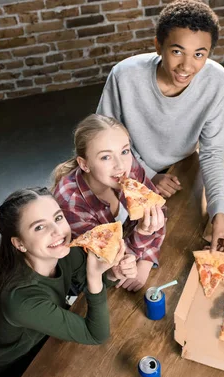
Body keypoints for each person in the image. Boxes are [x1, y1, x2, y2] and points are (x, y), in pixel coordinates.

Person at [96, 0, 224, 254]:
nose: (187, 66)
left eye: (199, 54)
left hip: (183, 170)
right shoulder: (123, 75)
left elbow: (213, 152)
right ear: (159, 45)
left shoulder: (216, 81)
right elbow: (103, 143)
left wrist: (219, 213)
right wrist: (148, 174)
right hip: (127, 169)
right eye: (177, 51)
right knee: (119, 246)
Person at [0, 187, 137, 377]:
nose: (57, 231)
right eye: (39, 227)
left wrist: (112, 274)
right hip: (9, 365)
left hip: (38, 331)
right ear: (19, 244)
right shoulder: (20, 301)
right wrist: (94, 277)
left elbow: (92, 286)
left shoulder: (62, 251)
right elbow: (96, 335)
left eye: (58, 218)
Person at [53, 114, 166, 293]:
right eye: (106, 157)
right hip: (90, 283)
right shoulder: (70, 203)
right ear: (84, 164)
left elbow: (158, 211)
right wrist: (143, 233)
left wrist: (146, 261)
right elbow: (108, 261)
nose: (120, 165)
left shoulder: (128, 168)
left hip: (132, 262)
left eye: (124, 151)